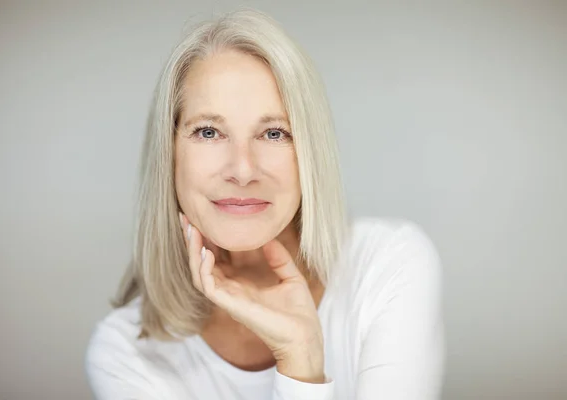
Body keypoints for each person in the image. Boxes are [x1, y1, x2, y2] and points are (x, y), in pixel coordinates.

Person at [85, 8, 444, 400]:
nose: (242, 170)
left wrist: (300, 357)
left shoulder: (387, 264)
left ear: (309, 151)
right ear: (169, 154)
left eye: (274, 133)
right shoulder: (125, 353)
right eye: (208, 132)